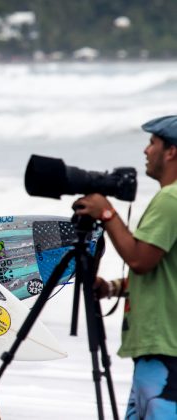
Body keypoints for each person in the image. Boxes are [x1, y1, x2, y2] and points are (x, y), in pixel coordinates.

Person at [74, 115, 177, 419]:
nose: (146, 150)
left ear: (171, 151)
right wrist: (113, 288)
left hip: (164, 347)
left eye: (152, 143)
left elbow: (140, 260)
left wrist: (106, 214)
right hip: (161, 345)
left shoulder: (171, 199)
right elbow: (164, 271)